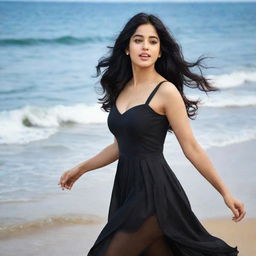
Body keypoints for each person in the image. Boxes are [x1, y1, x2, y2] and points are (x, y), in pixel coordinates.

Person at [58, 12, 246, 256]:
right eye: (138, 40)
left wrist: (225, 193)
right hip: (127, 189)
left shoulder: (166, 91)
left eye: (153, 41)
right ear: (127, 48)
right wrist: (80, 169)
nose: (145, 46)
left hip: (154, 193)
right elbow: (119, 146)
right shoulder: (121, 88)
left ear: (160, 51)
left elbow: (192, 148)